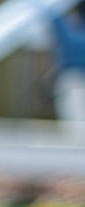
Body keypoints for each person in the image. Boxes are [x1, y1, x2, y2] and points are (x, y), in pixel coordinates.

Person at [52, 3, 85, 133]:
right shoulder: (70, 30)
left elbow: (53, 17)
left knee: (75, 131)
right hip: (71, 82)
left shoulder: (68, 30)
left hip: (70, 82)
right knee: (75, 130)